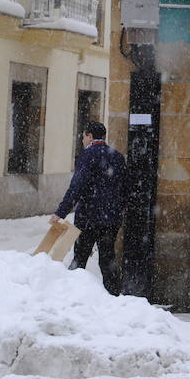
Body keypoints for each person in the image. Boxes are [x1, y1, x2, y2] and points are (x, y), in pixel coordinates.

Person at [50, 121, 127, 295]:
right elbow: (125, 188)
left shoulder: (87, 156)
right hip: (111, 219)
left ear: (90, 136)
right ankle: (114, 295)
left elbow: (76, 187)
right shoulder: (117, 156)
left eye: (84, 136)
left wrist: (60, 212)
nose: (83, 140)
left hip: (89, 217)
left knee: (80, 257)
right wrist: (117, 209)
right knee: (108, 259)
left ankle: (71, 293)